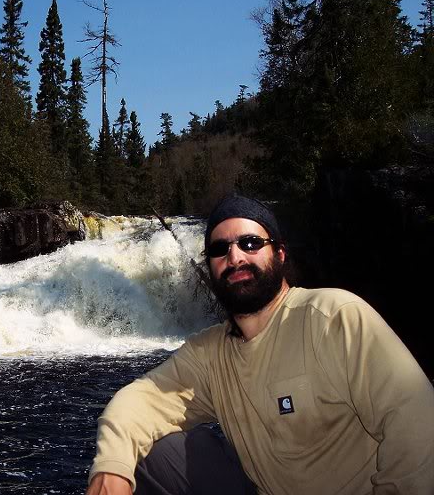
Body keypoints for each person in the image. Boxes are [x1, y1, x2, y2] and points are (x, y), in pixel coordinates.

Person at [87, 194, 434, 495]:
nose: (235, 257)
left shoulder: (333, 317)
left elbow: (416, 422)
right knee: (147, 452)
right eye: (220, 249)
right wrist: (111, 470)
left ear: (279, 253)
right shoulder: (209, 352)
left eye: (250, 243)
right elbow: (139, 400)